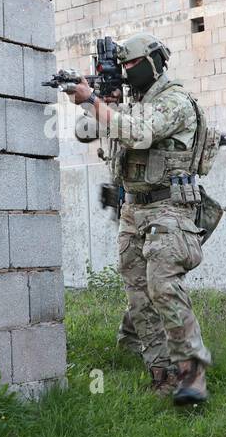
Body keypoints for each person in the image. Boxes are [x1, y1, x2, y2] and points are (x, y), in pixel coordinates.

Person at [65, 33, 211, 405]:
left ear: (153, 62)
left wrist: (97, 102)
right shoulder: (136, 104)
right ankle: (161, 374)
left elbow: (140, 133)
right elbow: (85, 133)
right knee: (139, 295)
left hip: (169, 208)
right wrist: (96, 104)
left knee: (163, 287)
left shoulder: (174, 101)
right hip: (133, 208)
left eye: (131, 66)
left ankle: (193, 373)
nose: (127, 73)